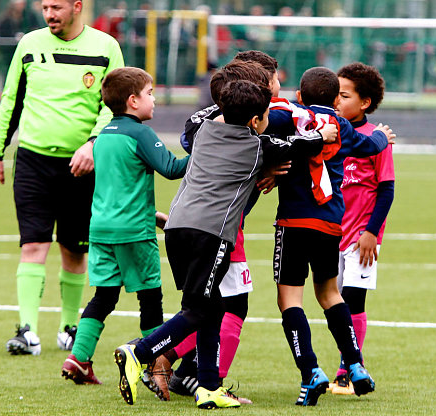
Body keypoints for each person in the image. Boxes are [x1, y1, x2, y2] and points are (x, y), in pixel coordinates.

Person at [113, 78, 329, 409]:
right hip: (210, 235)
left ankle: (208, 386)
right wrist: (322, 135)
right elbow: (301, 146)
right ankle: (140, 352)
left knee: (211, 306)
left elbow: (196, 119)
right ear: (256, 121)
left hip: (177, 227)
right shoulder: (258, 145)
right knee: (200, 309)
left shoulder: (202, 131)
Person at [0, 0, 124, 356]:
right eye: (45, 7)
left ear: (77, 6)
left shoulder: (106, 47)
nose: (49, 14)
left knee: (74, 250)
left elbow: (115, 105)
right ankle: (27, 331)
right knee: (32, 244)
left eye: (57, 7)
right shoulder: (29, 44)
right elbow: (11, 99)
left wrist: (94, 144)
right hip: (32, 162)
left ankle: (68, 327)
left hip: (82, 166)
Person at [265, 66, 395, 406]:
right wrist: (382, 134)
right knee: (330, 294)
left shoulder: (286, 116)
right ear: (336, 99)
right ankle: (354, 364)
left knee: (290, 299)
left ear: (299, 95)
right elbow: (371, 145)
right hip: (330, 225)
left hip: (293, 222)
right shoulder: (343, 126)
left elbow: (263, 130)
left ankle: (311, 371)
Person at [61, 67, 190, 385]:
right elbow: (172, 168)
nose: (154, 99)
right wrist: (206, 153)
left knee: (103, 296)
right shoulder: (140, 134)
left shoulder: (102, 136)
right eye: (150, 93)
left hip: (101, 229)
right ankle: (154, 363)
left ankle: (78, 358)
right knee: (150, 296)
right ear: (133, 101)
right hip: (134, 231)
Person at [328, 62, 394, 395]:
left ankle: (348, 370)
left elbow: (386, 189)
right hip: (333, 233)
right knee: (335, 303)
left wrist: (371, 233)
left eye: (344, 95)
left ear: (364, 102)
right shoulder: (334, 134)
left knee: (354, 302)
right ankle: (348, 367)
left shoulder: (378, 139)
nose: (336, 101)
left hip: (361, 239)